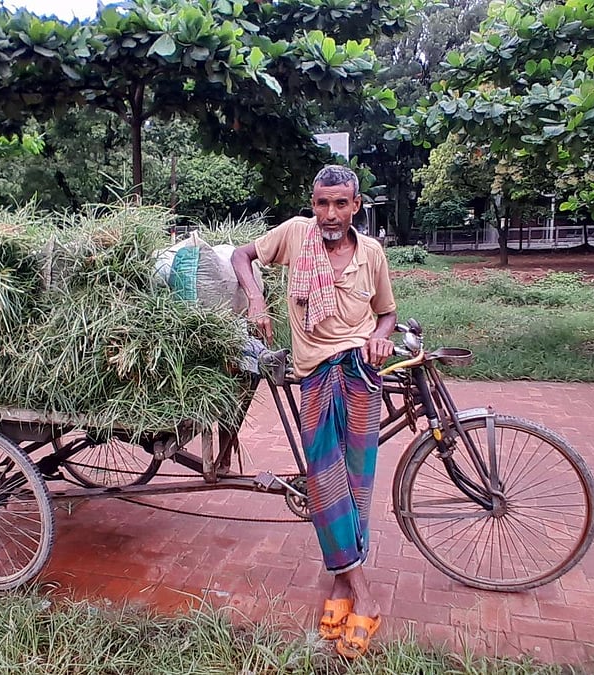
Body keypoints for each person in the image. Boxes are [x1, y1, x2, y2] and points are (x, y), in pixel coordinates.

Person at [232, 165, 397, 658]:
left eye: (340, 203)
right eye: (322, 203)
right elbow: (242, 254)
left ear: (356, 205)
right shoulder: (294, 235)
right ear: (312, 201)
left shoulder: (371, 253)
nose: (330, 214)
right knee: (324, 486)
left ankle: (342, 587)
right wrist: (258, 300)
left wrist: (379, 337)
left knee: (356, 483)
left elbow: (386, 312)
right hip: (317, 376)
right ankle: (364, 593)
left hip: (362, 373)